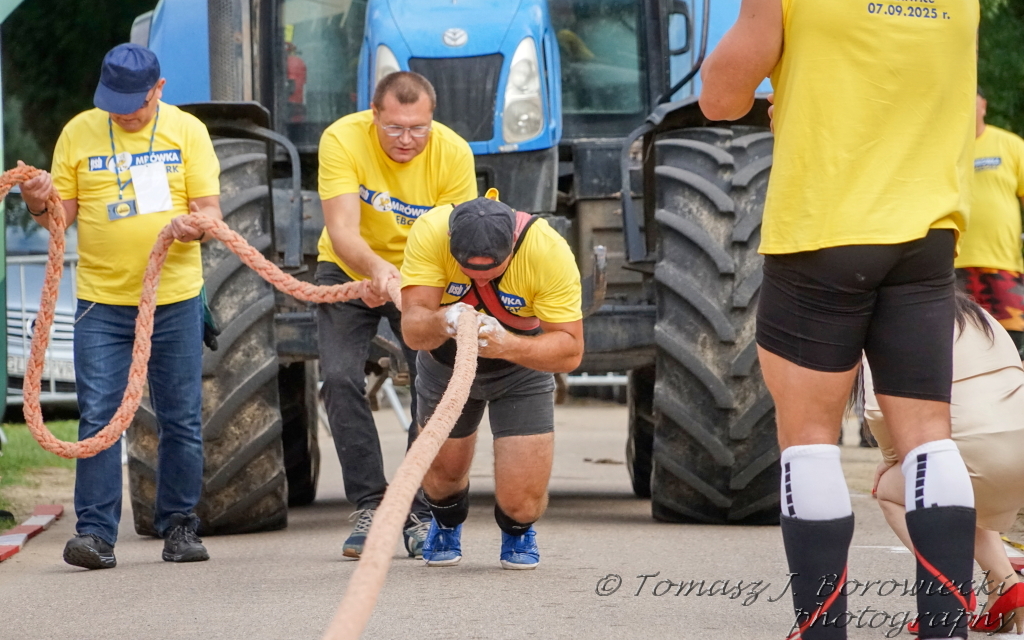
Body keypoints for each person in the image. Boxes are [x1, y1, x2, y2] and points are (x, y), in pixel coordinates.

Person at [700, 1, 979, 638]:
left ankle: (822, 629)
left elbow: (720, 98)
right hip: (927, 235)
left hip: (824, 228)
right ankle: (946, 629)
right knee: (930, 439)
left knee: (809, 442)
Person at [20, 43, 222, 569]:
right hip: (101, 302)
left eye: (134, 104)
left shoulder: (188, 132)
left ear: (159, 89)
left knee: (181, 417)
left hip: (175, 298)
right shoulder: (78, 133)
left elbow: (210, 212)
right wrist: (38, 197)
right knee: (99, 418)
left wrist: (192, 226)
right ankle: (94, 534)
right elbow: (58, 218)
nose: (124, 114)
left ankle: (179, 525)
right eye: (114, 104)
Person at [315, 71, 477, 559]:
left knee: (436, 384)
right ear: (374, 115)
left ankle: (416, 506)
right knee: (338, 378)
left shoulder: (454, 153)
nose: (407, 139)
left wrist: (407, 285)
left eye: (418, 128)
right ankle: (371, 504)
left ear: (432, 120)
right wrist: (375, 273)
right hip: (352, 267)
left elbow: (455, 241)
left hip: (423, 275)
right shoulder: (342, 139)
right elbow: (342, 228)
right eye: (395, 128)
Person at [400, 195, 583, 570]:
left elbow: (570, 351)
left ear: (513, 245)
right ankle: (446, 523)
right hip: (445, 363)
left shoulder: (547, 249)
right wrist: (444, 320)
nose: (480, 278)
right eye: (468, 269)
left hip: (521, 367)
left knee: (522, 503)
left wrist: (507, 345)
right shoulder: (431, 230)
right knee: (441, 480)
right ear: (450, 242)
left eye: (492, 269)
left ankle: (518, 531)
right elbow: (414, 332)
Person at [865, 294, 1024, 635]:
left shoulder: (888, 319)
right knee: (958, 491)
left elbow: (877, 411)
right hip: (1017, 449)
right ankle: (1004, 587)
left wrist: (891, 460)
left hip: (976, 453)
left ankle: (950, 586)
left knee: (891, 490)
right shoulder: (979, 315)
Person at [955, 91, 1024, 356]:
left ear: (983, 105)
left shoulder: (1011, 145)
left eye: (971, 100)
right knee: (960, 343)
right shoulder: (945, 150)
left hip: (1002, 263)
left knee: (1014, 343)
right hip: (952, 265)